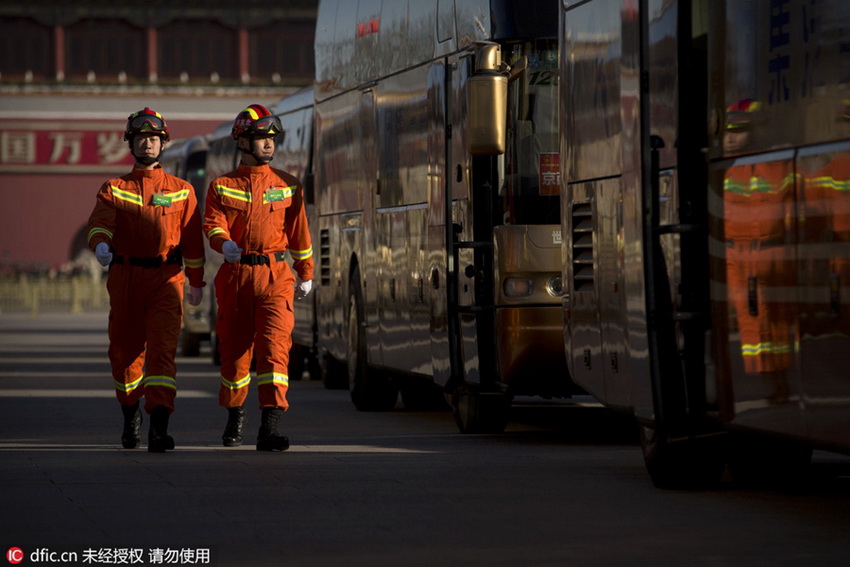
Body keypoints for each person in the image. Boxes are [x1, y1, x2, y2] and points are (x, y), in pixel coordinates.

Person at [87, 107, 206, 452]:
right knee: (124, 355)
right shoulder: (114, 188)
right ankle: (130, 416)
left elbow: (192, 241)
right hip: (125, 278)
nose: (149, 144)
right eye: (142, 138)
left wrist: (196, 282)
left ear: (163, 143)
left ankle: (159, 425)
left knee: (163, 353)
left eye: (154, 139)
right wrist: (101, 244)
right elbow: (99, 223)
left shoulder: (182, 191)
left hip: (166, 280)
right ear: (131, 144)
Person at [203, 104, 314, 451]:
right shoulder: (222, 186)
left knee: (274, 351)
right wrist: (225, 244)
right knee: (235, 354)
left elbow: (300, 233)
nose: (268, 144)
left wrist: (306, 273)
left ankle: (270, 426)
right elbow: (212, 224)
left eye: (271, 138)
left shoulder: (289, 185)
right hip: (236, 277)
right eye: (260, 138)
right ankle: (235, 418)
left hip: (276, 277)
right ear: (243, 141)